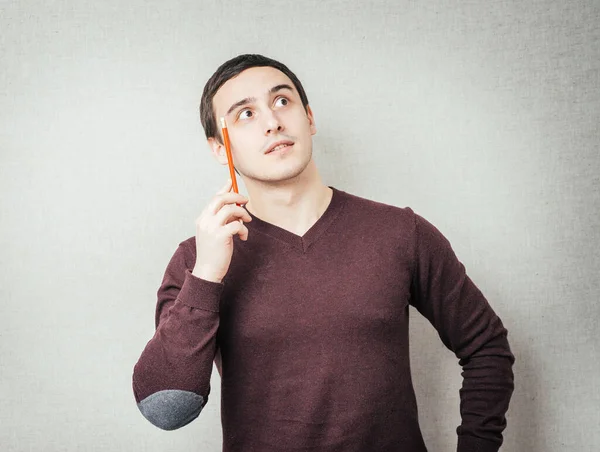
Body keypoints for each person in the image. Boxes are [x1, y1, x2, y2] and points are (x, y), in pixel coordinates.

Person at [132, 54, 515, 452]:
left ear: (309, 119)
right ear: (219, 148)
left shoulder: (400, 232)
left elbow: (486, 347)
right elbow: (166, 409)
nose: (272, 121)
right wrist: (208, 273)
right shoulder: (198, 259)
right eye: (245, 113)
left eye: (282, 101)